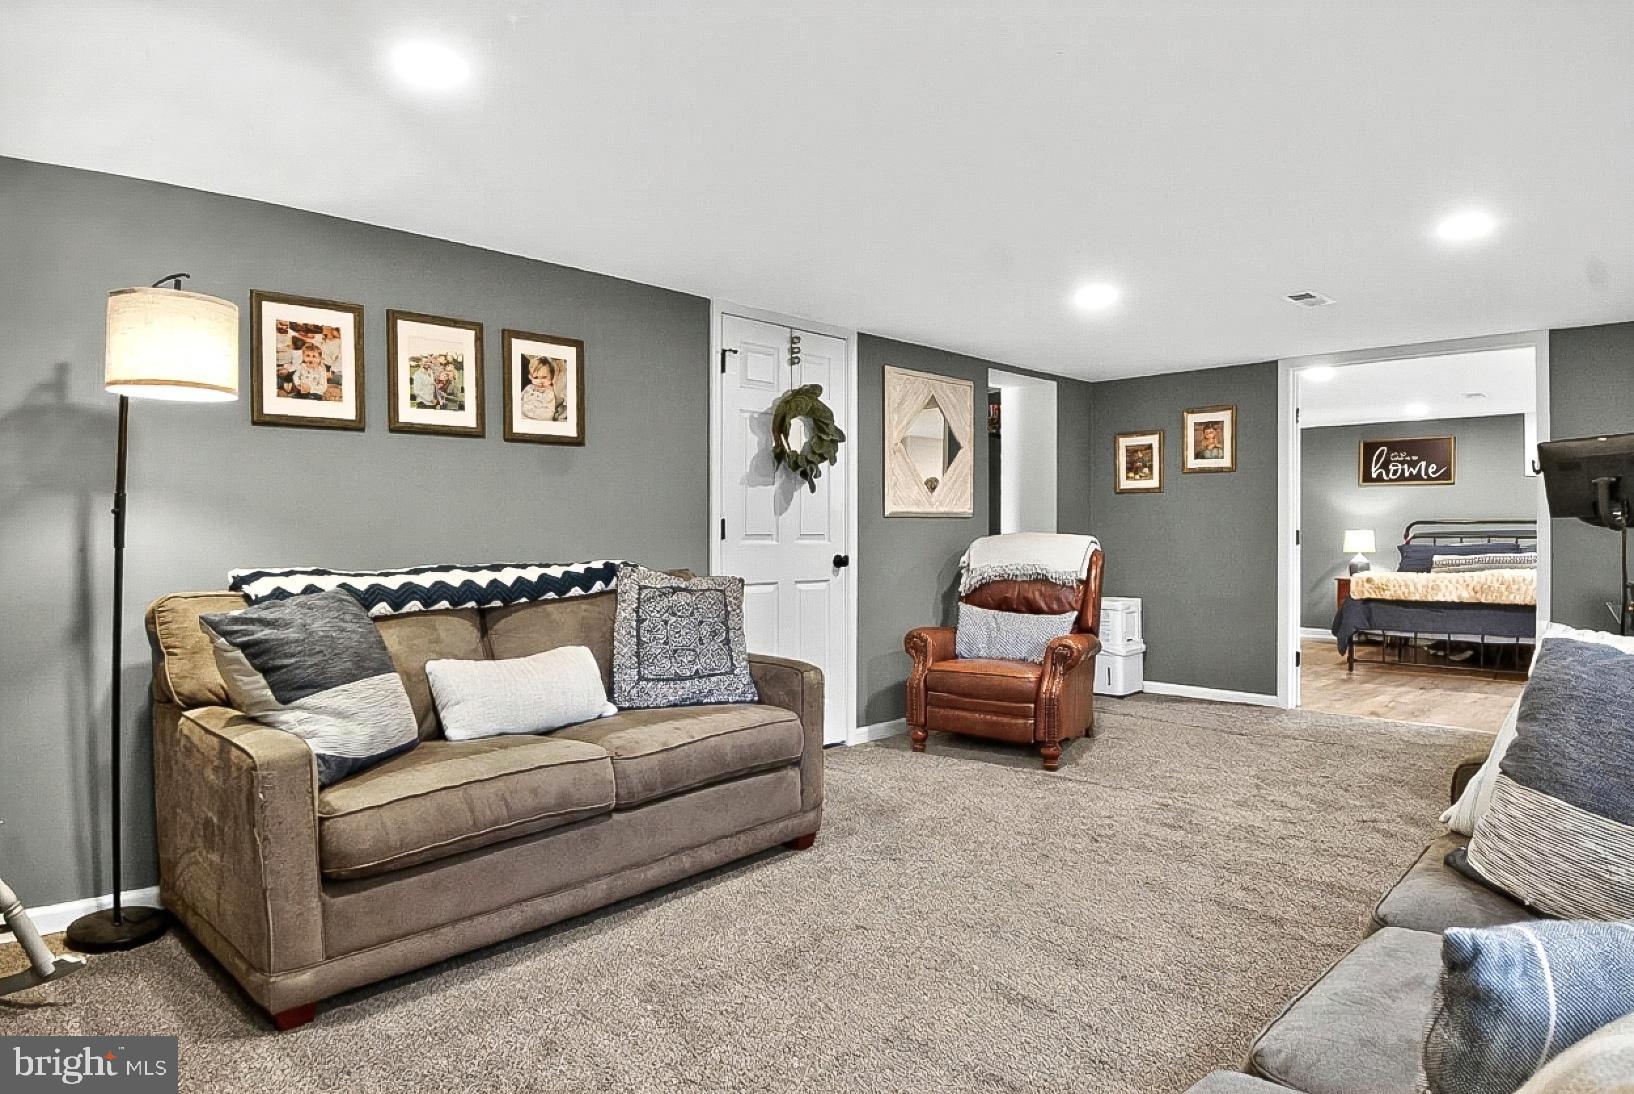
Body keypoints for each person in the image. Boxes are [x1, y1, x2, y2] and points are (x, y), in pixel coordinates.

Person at [521, 356, 561, 421]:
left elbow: (549, 414)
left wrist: (530, 411)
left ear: (551, 378)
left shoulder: (549, 392)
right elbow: (518, 402)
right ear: (530, 377)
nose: (540, 381)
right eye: (536, 377)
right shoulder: (529, 388)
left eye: (544, 377)